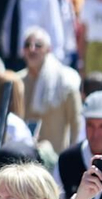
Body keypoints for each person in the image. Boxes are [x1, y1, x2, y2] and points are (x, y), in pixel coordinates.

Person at [21, 26, 83, 154]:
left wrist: (72, 158)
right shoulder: (17, 81)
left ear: (48, 49)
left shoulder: (65, 81)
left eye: (38, 45)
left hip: (56, 158)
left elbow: (76, 123)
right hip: (24, 157)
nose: (32, 49)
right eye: (27, 45)